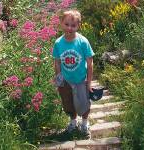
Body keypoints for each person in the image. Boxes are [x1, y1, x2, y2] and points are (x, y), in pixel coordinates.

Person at [52, 9, 94, 137]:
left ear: (78, 26)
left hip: (81, 79)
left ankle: (85, 123)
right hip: (66, 80)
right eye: (67, 24)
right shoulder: (58, 43)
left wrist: (89, 82)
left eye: (73, 25)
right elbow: (57, 62)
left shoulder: (83, 42)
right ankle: (73, 121)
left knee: (83, 103)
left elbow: (90, 62)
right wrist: (59, 78)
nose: (70, 28)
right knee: (68, 103)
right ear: (61, 23)